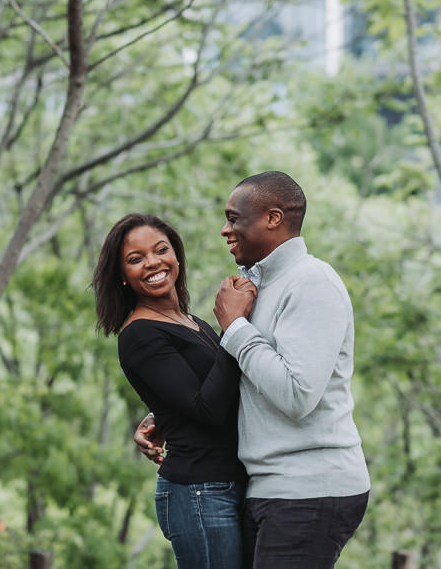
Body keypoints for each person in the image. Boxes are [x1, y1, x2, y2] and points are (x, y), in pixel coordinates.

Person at [137, 171, 370, 568]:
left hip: (310, 488)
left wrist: (236, 327)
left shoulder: (311, 283)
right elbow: (256, 379)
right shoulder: (255, 286)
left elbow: (297, 395)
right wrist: (168, 414)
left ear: (273, 218)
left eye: (234, 218)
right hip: (267, 487)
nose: (224, 229)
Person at [93, 213, 255, 569]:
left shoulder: (191, 321)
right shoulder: (139, 334)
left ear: (176, 256)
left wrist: (159, 416)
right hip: (200, 492)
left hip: (229, 483)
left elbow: (208, 388)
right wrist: (233, 327)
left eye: (160, 250)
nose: (152, 262)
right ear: (122, 276)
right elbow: (207, 408)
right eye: (135, 259)